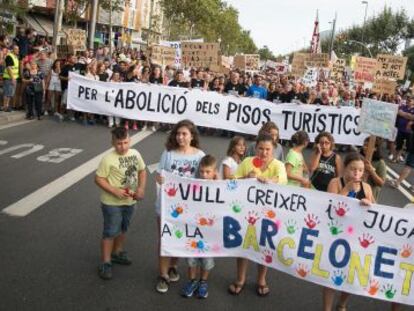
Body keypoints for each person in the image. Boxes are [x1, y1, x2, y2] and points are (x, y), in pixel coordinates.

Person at [228, 133, 287, 297]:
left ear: (273, 150)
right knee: (243, 245)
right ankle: (240, 278)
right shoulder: (247, 162)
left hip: (269, 215)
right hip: (247, 213)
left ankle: (261, 279)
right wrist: (247, 177)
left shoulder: (278, 165)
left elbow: (282, 180)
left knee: (265, 247)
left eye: (268, 149)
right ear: (256, 148)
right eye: (261, 148)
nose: (264, 152)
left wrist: (269, 181)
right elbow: (232, 181)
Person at [155, 120, 205, 294]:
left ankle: (173, 266)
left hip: (189, 207)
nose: (180, 137)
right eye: (178, 133)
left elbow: (207, 176)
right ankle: (162, 275)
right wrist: (160, 179)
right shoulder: (168, 153)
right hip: (167, 206)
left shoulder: (199, 156)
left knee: (178, 237)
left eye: (184, 134)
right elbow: (159, 174)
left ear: (192, 136)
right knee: (165, 238)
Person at [324, 152, 375, 311]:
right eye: (353, 169)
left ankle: (342, 304)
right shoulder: (336, 182)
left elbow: (376, 213)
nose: (357, 173)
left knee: (350, 275)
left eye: (360, 170)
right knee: (331, 275)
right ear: (345, 169)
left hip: (357, 238)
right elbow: (329, 208)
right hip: (336, 235)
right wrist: (346, 189)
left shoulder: (366, 187)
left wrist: (369, 204)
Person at [95, 127, 147, 280]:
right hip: (111, 202)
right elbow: (98, 179)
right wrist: (114, 191)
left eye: (125, 142)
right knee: (110, 231)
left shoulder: (135, 154)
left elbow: (142, 171)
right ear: (112, 143)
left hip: (130, 201)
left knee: (123, 228)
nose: (123, 147)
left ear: (130, 140)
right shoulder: (107, 159)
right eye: (119, 143)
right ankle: (105, 262)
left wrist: (141, 188)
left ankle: (117, 252)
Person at [181, 155, 218, 299]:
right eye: (202, 171)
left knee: (207, 259)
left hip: (209, 232)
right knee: (191, 258)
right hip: (193, 230)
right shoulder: (193, 185)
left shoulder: (218, 188)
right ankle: (192, 281)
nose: (204, 175)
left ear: (214, 172)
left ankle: (203, 281)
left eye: (208, 172)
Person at [2, 44, 19, 112]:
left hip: (13, 78)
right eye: (16, 49)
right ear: (12, 50)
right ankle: (5, 107)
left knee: (10, 93)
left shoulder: (15, 56)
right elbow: (8, 68)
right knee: (7, 93)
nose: (18, 50)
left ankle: (7, 106)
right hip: (9, 78)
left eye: (18, 49)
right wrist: (12, 78)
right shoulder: (9, 56)